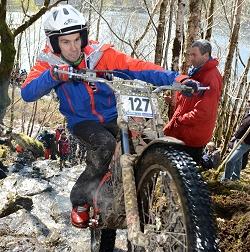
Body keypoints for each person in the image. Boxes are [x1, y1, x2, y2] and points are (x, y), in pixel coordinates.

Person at [21, 4, 201, 228]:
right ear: (54, 42)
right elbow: (28, 93)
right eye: (66, 42)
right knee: (105, 144)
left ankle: (141, 201)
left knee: (146, 138)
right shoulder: (49, 63)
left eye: (77, 39)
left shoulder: (100, 55)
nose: (73, 48)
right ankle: (81, 200)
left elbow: (137, 67)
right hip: (82, 122)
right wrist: (53, 76)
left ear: (84, 37)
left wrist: (178, 79)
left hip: (113, 115)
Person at [163, 39, 223, 164]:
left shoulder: (212, 76)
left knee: (185, 176)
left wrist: (180, 119)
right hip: (184, 131)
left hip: (191, 136)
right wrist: (174, 101)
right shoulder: (195, 71)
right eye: (190, 54)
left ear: (206, 55)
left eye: (194, 55)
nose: (190, 58)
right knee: (175, 169)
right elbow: (189, 97)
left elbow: (205, 112)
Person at [221, 113, 250, 182]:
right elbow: (242, 127)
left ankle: (225, 179)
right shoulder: (247, 114)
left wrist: (246, 141)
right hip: (238, 140)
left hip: (245, 143)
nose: (248, 103)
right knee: (238, 161)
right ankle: (235, 178)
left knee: (230, 161)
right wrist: (235, 136)